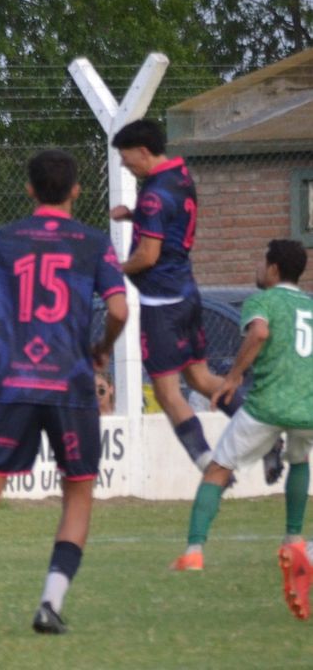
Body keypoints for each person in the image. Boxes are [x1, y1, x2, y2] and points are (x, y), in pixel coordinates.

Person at [0, 149, 127, 638]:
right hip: (72, 384)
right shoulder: (94, 243)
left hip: (14, 384)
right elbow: (119, 310)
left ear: (30, 190)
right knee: (76, 496)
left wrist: (4, 351)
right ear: (76, 191)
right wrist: (101, 348)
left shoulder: (3, 240)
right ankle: (49, 604)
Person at [108, 119, 274, 480]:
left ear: (143, 151)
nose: (124, 165)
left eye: (125, 158)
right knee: (201, 378)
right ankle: (265, 436)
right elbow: (172, 215)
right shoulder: (179, 177)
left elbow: (148, 256)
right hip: (187, 294)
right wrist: (134, 216)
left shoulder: (152, 195)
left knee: (168, 394)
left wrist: (117, 267)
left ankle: (208, 464)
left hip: (161, 305)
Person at [171, 240, 313, 622]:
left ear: (273, 269)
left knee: (217, 469)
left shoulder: (260, 302)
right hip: (309, 407)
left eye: (261, 260)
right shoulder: (310, 306)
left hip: (268, 404)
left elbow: (260, 334)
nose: (257, 267)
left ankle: (194, 552)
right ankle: (293, 540)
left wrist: (232, 378)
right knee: (299, 458)